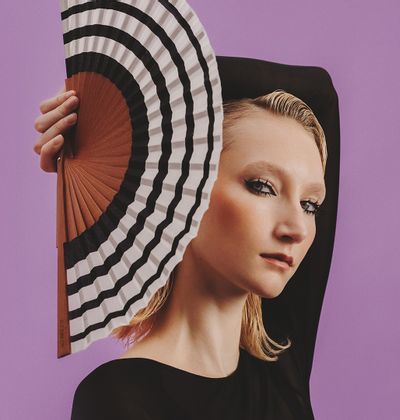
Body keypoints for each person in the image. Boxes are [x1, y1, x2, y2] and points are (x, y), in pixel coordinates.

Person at [33, 57, 339, 420]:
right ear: (184, 190)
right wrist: (105, 108)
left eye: (309, 204)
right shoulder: (118, 397)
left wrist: (117, 94)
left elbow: (320, 93)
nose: (297, 228)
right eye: (262, 186)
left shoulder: (279, 365)